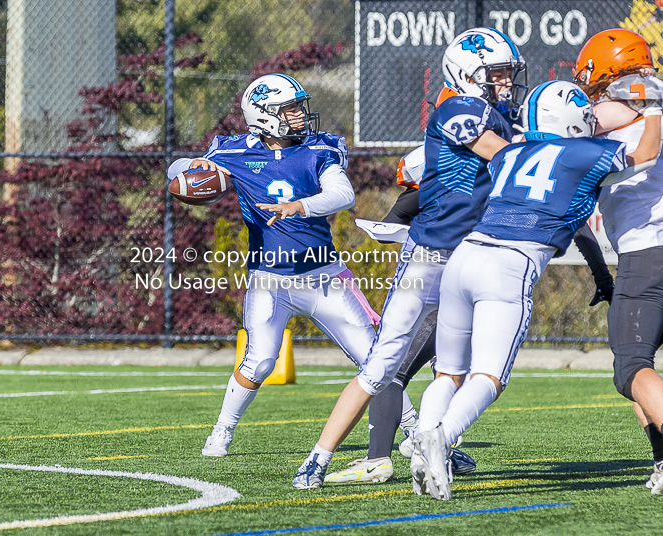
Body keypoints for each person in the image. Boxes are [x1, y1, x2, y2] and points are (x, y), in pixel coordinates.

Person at [292, 27, 528, 489]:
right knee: (382, 364)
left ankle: (434, 443)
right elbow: (507, 159)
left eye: (507, 73)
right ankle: (318, 458)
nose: (505, 82)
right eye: (496, 73)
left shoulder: (501, 116)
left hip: (469, 257)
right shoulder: (457, 107)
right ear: (467, 75)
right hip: (429, 255)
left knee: (455, 364)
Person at [411, 79, 661, 501]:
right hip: (509, 265)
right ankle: (441, 437)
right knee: (488, 376)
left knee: (448, 371)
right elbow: (645, 155)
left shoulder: (508, 154)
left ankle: (421, 453)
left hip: (465, 255)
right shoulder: (583, 152)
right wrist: (654, 110)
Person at [167, 73, 382, 457]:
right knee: (261, 360)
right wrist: (192, 171)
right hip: (270, 280)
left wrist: (300, 206)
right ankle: (221, 432)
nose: (301, 115)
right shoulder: (232, 152)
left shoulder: (319, 148)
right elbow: (181, 172)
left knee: (376, 358)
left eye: (300, 106)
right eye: (291, 109)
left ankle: (415, 433)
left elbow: (343, 194)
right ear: (265, 116)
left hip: (324, 275)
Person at [575, 28, 663, 494]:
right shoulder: (655, 104)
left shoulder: (608, 111)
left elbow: (561, 131)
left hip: (647, 256)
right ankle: (661, 463)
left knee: (632, 368)